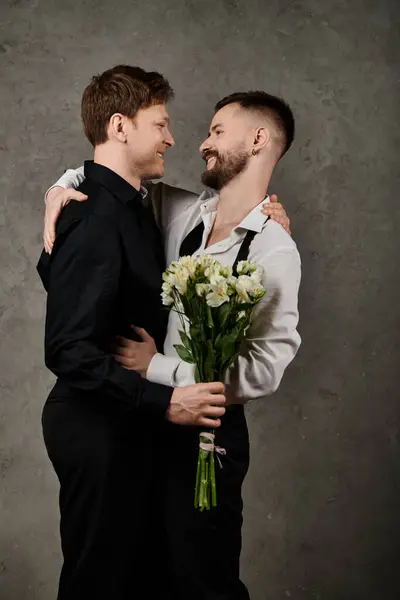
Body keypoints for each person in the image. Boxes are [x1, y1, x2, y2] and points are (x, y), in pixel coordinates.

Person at [43, 87, 300, 600]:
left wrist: (160, 369)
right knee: (146, 574)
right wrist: (60, 189)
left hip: (209, 434)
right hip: (152, 422)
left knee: (202, 576)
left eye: (217, 131)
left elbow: (265, 367)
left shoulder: (274, 246)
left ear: (258, 139)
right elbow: (112, 175)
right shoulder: (183, 211)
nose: (201, 143)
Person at [36, 65, 228, 600]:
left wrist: (269, 213)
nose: (171, 137)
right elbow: (67, 348)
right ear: (120, 126)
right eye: (160, 124)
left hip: (124, 423)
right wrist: (164, 402)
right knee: (99, 584)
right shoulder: (96, 216)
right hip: (98, 426)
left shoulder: (132, 204)